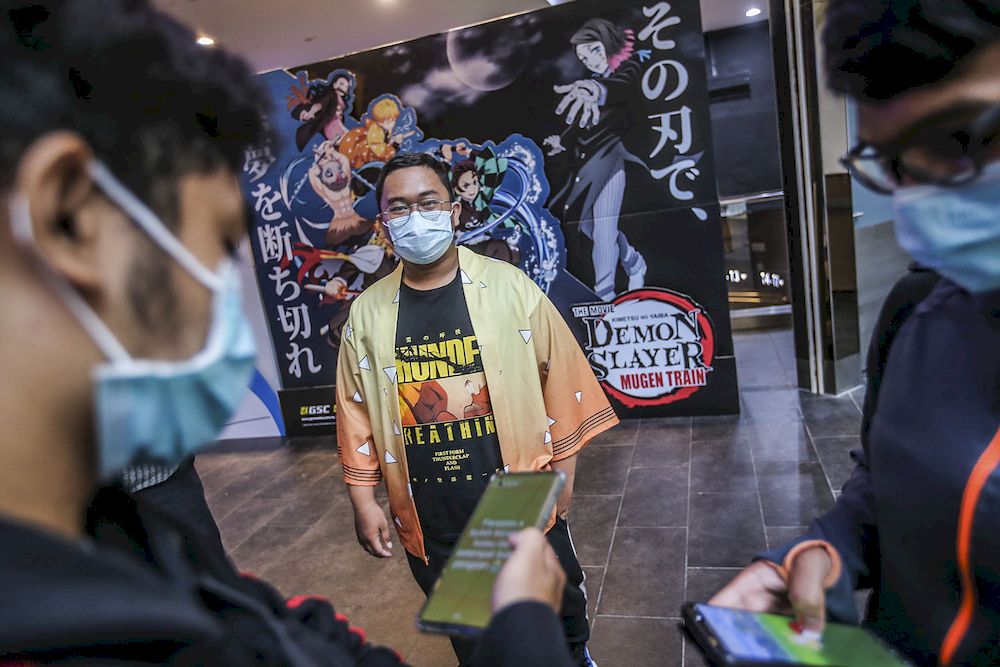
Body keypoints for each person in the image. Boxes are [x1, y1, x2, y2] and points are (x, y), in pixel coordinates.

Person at [0, 2, 578, 664]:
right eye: (217, 246)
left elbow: (247, 621)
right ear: (71, 216)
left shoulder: (131, 542)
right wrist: (525, 623)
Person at [709, 1, 1000, 665]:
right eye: (893, 164)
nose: (926, 194)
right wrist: (823, 554)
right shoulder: (922, 311)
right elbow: (890, 493)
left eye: (961, 137)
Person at [336, 152, 619, 667]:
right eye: (398, 209)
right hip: (430, 509)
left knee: (557, 625)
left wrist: (563, 476)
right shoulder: (367, 312)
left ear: (454, 211)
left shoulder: (510, 288)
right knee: (478, 642)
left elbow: (563, 382)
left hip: (518, 497)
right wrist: (363, 498)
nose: (414, 218)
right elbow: (354, 409)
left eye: (427, 203)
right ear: (383, 225)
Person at [544, 17, 647, 301]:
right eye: (582, 56)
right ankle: (633, 260)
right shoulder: (590, 84)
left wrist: (598, 90)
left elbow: (623, 85)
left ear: (608, 44)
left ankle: (606, 296)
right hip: (588, 163)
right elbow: (579, 124)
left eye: (593, 50)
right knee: (586, 224)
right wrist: (560, 143)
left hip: (613, 157)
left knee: (603, 228)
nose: (588, 59)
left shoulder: (629, 68)